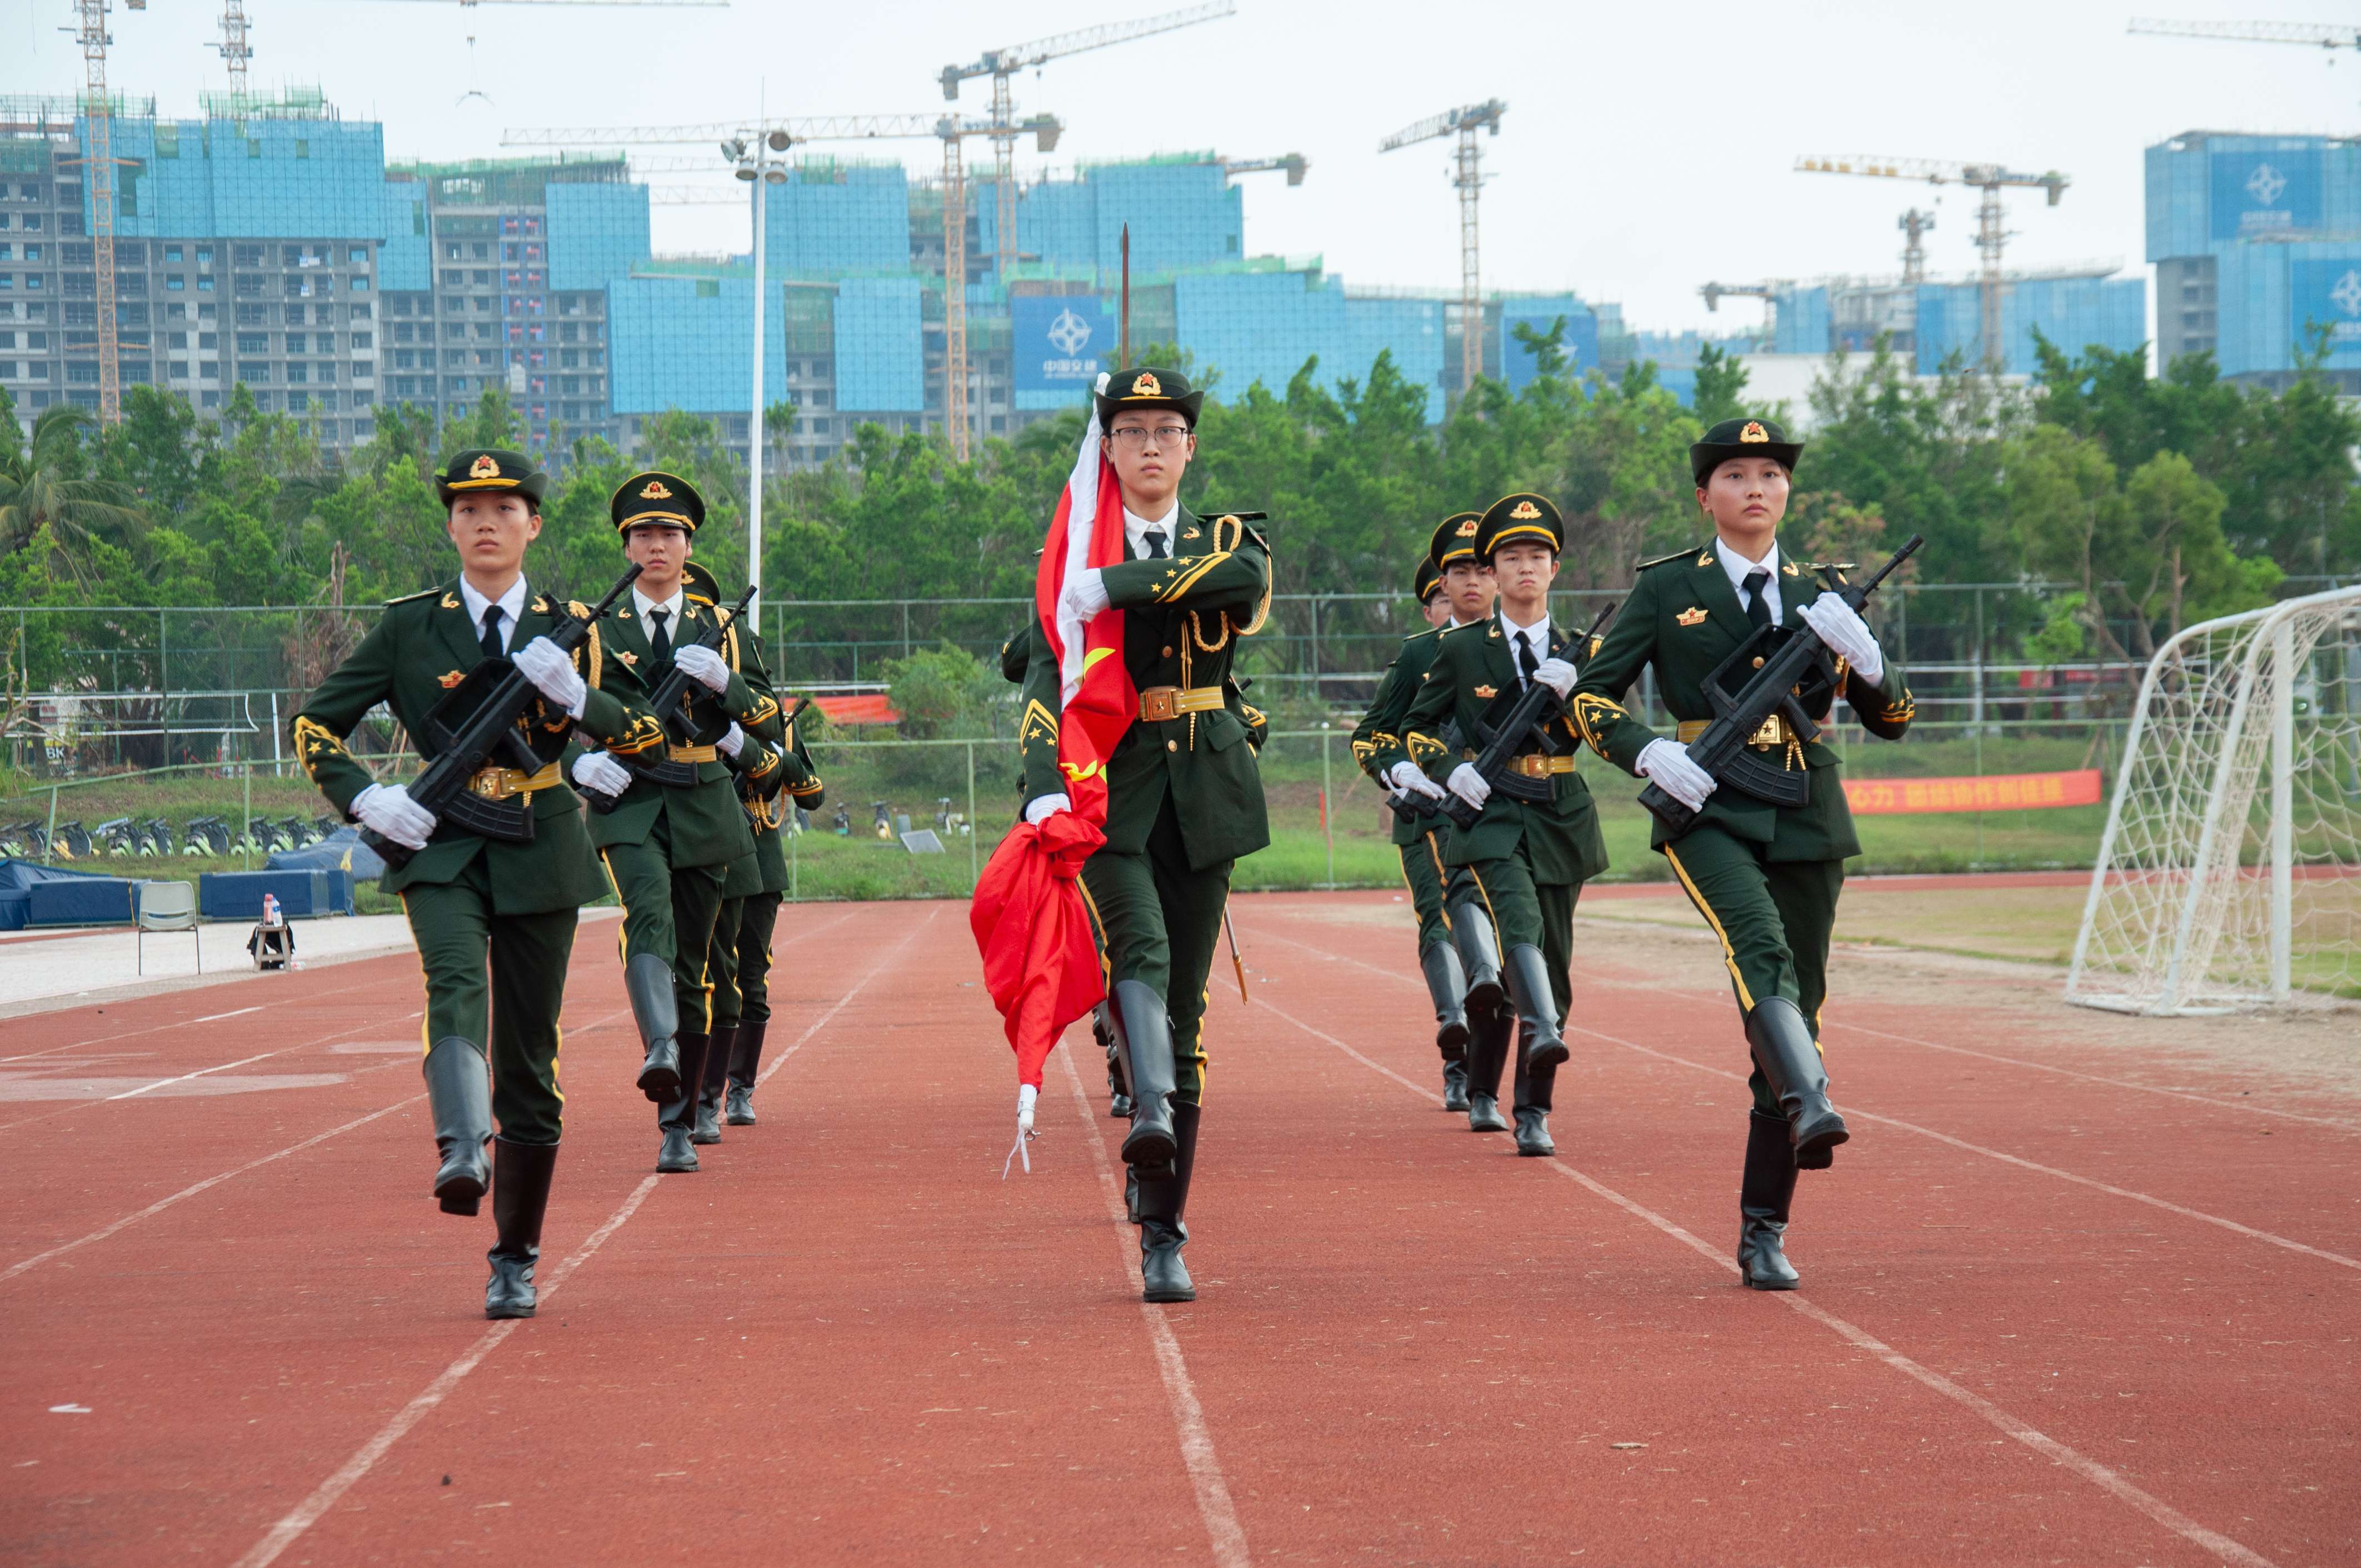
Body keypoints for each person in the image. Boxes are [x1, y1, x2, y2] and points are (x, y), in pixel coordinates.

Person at [289, 447, 665, 1320]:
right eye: (468, 510)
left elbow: (646, 732)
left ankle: (516, 1253)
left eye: (504, 508)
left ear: (533, 524)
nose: (485, 523)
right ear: (451, 527)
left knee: (531, 1058)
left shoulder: (576, 623)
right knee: (453, 979)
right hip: (442, 839)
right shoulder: (409, 628)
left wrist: (579, 700)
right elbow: (317, 721)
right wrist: (368, 797)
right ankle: (462, 1146)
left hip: (540, 842)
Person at [1570, 417, 1915, 1289]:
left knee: (1800, 999)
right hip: (1707, 801)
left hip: (1805, 803)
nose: (1754, 487)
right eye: (1735, 475)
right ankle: (1809, 1100)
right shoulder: (1666, 589)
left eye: (1769, 473)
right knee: (1755, 948)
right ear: (1704, 495)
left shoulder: (1822, 590)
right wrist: (1650, 752)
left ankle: (1765, 1223)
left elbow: (1893, 716)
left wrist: (1868, 661)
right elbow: (1592, 700)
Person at [1018, 366, 1272, 1304]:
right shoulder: (1071, 552)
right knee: (1141, 949)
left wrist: (1110, 582)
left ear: (1189, 447)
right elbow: (1045, 675)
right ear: (1108, 450)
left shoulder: (1224, 540)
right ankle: (1151, 1110)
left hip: (1204, 788)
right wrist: (1038, 786)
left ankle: (1163, 1227)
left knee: (1186, 1012)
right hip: (1108, 789)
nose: (1153, 445)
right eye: (1132, 431)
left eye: (1168, 429)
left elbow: (1232, 583)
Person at [568, 472, 777, 1176]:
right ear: (626, 545)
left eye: (669, 534)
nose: (655, 545)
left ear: (688, 546)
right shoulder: (596, 630)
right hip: (629, 796)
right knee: (647, 911)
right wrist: (577, 763)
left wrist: (726, 682)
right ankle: (661, 1050)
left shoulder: (722, 629)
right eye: (642, 534)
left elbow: (770, 724)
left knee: (695, 964)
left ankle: (681, 1120)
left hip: (704, 795)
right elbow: (548, 714)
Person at [1399, 493, 1609, 1158]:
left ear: (1555, 568)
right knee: (1516, 924)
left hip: (1560, 810)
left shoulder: (1589, 649)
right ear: (1494, 569)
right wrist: (1447, 766)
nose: (1524, 567)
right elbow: (1415, 725)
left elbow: (1608, 729)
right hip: (1489, 811)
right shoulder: (1461, 648)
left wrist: (1578, 691)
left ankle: (1530, 1103)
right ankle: (1541, 1030)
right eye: (1511, 556)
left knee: (1555, 961)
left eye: (1536, 556)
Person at [1350, 513, 1503, 1111]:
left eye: (1477, 572)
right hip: (1431, 814)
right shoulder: (1419, 656)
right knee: (1442, 914)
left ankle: (1491, 1063)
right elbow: (1374, 733)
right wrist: (1402, 768)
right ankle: (1456, 1045)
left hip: (1504, 807)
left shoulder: (1516, 647)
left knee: (1501, 931)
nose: (1460, 592)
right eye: (1449, 584)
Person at [671, 561, 790, 1146]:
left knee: (731, 975)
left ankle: (717, 1092)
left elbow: (781, 768)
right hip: (669, 832)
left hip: (736, 844)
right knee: (674, 966)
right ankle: (683, 1086)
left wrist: (735, 736)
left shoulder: (737, 690)